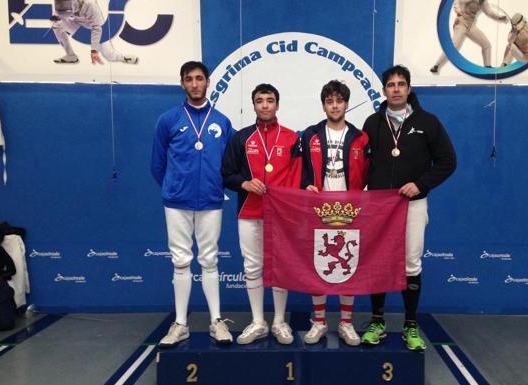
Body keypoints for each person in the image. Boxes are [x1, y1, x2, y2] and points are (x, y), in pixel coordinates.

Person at [361, 65, 456, 351]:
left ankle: (410, 325)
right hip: (379, 206)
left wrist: (421, 184)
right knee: (377, 261)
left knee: (411, 264)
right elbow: (363, 165)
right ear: (384, 90)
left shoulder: (428, 122)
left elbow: (447, 162)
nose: (397, 89)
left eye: (402, 84)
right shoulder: (372, 123)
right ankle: (377, 322)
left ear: (409, 88)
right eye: (391, 85)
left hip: (412, 203)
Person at [151, 61, 235, 347]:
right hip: (176, 201)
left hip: (211, 200)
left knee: (209, 259)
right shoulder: (168, 120)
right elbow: (157, 164)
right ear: (182, 83)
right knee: (181, 261)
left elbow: (229, 163)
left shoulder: (222, 121)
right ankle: (181, 324)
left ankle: (215, 321)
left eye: (200, 79)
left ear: (208, 82)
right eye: (189, 79)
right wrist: (175, 186)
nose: (195, 84)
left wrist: (213, 185)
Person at [221, 84, 302, 345]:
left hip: (281, 214)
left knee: (280, 266)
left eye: (270, 100)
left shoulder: (292, 138)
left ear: (278, 104)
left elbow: (300, 177)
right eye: (260, 101)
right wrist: (244, 184)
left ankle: (279, 321)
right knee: (252, 266)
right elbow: (227, 173)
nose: (265, 105)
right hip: (249, 211)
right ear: (254, 105)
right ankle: (258, 322)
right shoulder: (241, 138)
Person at [300, 80, 370, 346]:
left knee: (348, 265)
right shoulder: (311, 135)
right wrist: (305, 184)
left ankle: (346, 322)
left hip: (350, 210)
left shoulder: (361, 137)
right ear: (323, 105)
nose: (335, 105)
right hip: (318, 209)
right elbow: (302, 169)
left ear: (346, 104)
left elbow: (368, 172)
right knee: (319, 265)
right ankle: (319, 322)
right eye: (329, 101)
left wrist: (359, 193)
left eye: (339, 100)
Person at [51, 0, 138, 64]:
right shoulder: (60, 5)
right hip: (78, 24)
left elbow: (96, 28)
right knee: (57, 24)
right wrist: (57, 18)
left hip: (95, 27)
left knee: (109, 55)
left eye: (68, 12)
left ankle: (124, 58)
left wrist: (93, 51)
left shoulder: (90, 4)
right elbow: (60, 14)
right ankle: (71, 56)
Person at [430, 0, 507, 73]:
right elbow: (458, 2)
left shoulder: (483, 1)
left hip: (470, 25)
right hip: (461, 23)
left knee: (486, 44)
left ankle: (487, 67)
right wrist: (458, 11)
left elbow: (489, 12)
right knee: (453, 46)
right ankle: (436, 65)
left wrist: (500, 18)